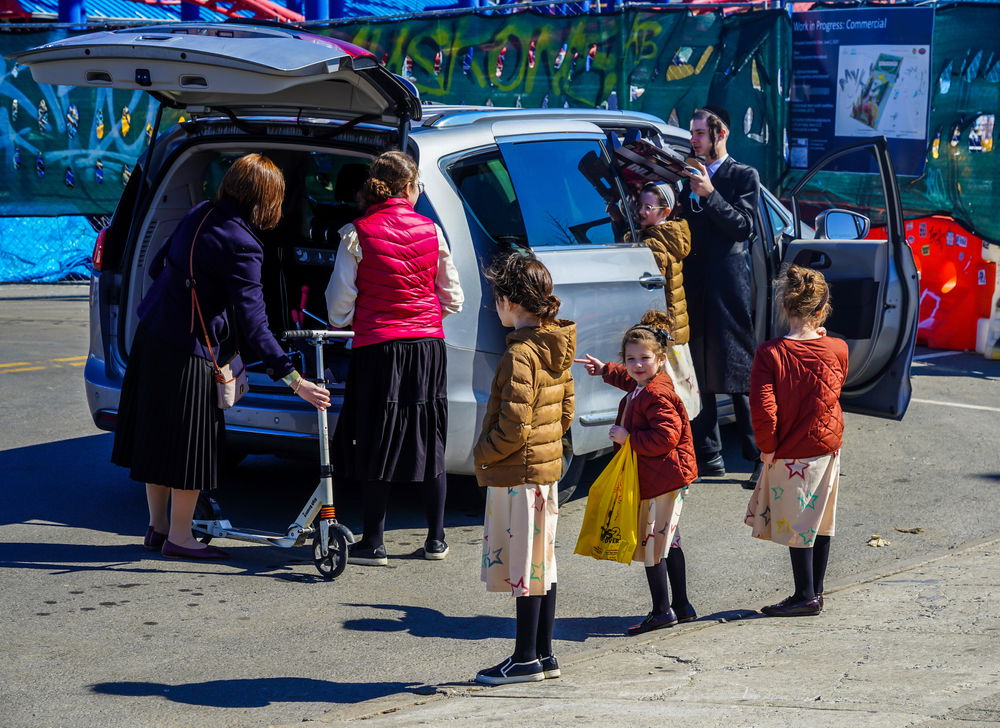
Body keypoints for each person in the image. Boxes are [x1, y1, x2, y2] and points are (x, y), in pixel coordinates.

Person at [112, 153, 330, 560]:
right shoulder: (244, 243)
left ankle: (158, 527)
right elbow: (254, 322)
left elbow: (160, 265)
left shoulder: (199, 212)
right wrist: (294, 380)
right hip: (189, 350)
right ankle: (180, 537)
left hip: (152, 335)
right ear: (266, 199)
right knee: (190, 447)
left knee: (157, 438)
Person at [325, 150, 463, 566]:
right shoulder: (432, 232)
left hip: (377, 348)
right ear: (409, 188)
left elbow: (337, 309)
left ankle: (374, 542)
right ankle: (436, 539)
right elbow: (453, 299)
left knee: (376, 437)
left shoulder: (356, 233)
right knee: (429, 434)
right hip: (426, 347)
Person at [474, 249, 575, 686]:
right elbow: (567, 410)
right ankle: (544, 653)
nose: (495, 304)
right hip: (545, 471)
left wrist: (483, 454)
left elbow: (513, 427)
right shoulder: (556, 345)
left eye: (498, 296)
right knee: (541, 564)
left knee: (525, 567)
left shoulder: (520, 354)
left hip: (519, 473)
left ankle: (525, 657)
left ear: (511, 302)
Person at [579, 310, 698, 636]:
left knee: (653, 545)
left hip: (660, 478)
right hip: (665, 476)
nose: (636, 365)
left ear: (661, 359)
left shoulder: (656, 393)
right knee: (669, 541)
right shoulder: (647, 382)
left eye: (644, 358)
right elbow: (631, 380)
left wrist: (628, 438)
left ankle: (662, 611)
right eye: (630, 359)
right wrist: (605, 371)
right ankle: (682, 606)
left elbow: (665, 438)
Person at [744, 265, 848, 617]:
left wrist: (767, 446)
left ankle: (804, 594)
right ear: (822, 309)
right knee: (820, 519)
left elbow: (764, 408)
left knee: (797, 522)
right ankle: (815, 590)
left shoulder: (770, 353)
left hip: (791, 450)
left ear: (785, 308)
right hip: (828, 446)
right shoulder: (838, 348)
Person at [679, 105, 761, 487]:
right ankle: (708, 454)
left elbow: (743, 227)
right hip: (692, 279)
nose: (693, 139)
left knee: (737, 368)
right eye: (692, 132)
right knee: (699, 364)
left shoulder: (743, 175)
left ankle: (757, 453)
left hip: (729, 281)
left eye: (699, 133)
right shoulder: (688, 174)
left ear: (720, 134)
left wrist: (710, 194)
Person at [632, 181, 700, 419]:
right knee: (681, 388)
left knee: (667, 393)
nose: (641, 211)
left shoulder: (653, 243)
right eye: (639, 205)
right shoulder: (672, 236)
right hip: (676, 328)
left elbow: (646, 280)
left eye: (648, 207)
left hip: (663, 328)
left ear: (665, 212)